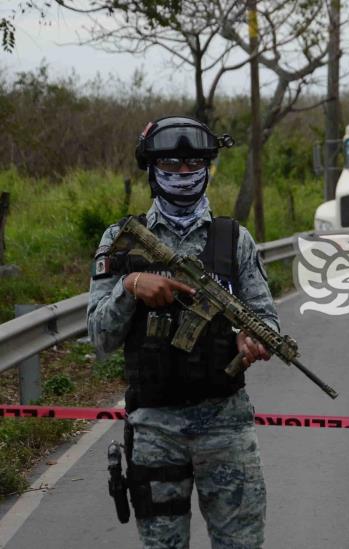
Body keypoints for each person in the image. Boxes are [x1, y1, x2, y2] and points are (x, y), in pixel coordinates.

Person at [87, 115, 278, 548]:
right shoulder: (121, 240)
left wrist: (255, 340)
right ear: (152, 169)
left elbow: (267, 320)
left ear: (207, 169)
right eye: (171, 166)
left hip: (226, 428)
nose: (183, 176)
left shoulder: (234, 239)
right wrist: (131, 286)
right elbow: (99, 337)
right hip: (155, 430)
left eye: (193, 166)